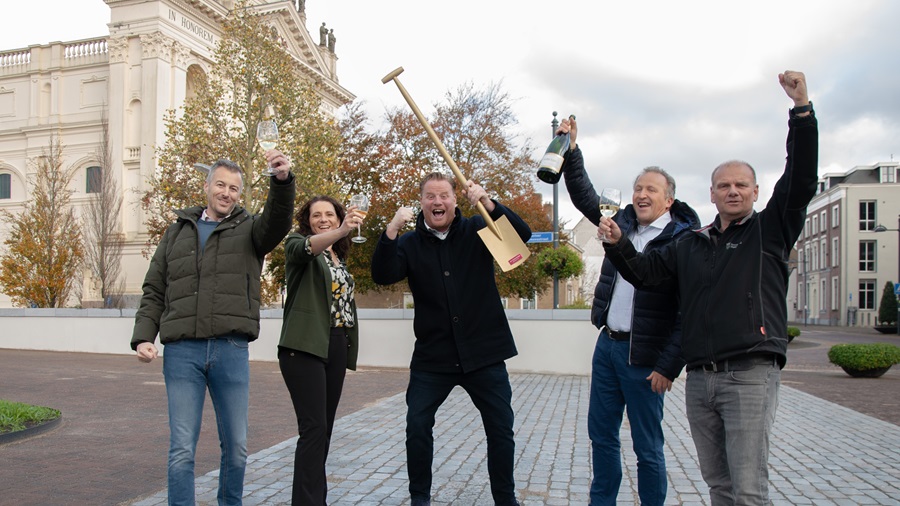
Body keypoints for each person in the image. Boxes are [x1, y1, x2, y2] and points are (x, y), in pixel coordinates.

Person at [599, 70, 817, 505]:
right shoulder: (691, 243)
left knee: (749, 487)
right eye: (724, 186)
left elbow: (800, 181)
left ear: (755, 191)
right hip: (701, 379)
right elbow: (644, 274)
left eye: (741, 185)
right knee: (718, 484)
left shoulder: (769, 231)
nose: (732, 191)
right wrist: (619, 245)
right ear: (711, 194)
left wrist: (802, 112)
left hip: (750, 374)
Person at [132, 153, 295, 506]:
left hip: (230, 350)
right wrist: (145, 336)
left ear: (240, 194)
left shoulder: (251, 228)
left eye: (234, 188)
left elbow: (278, 221)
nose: (226, 193)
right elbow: (155, 287)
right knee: (181, 448)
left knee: (236, 447)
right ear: (206, 187)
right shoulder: (177, 231)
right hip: (182, 353)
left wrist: (281, 182)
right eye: (220, 185)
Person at [556, 116, 699, 505]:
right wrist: (571, 149)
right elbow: (585, 196)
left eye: (651, 190)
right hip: (608, 347)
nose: (641, 195)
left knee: (647, 446)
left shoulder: (681, 241)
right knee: (600, 436)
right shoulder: (621, 224)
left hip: (646, 355)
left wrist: (670, 365)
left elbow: (689, 311)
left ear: (669, 199)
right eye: (638, 188)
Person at [371, 172, 530, 506]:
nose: (437, 202)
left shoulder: (478, 228)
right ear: (421, 203)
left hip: (484, 352)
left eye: (444, 195)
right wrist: (391, 229)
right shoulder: (409, 243)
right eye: (430, 196)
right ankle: (420, 499)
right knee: (417, 426)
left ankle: (505, 498)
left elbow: (521, 236)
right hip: (434, 357)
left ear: (456, 199)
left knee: (501, 429)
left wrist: (487, 201)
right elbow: (382, 274)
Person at [278, 195, 365, 505]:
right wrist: (342, 229)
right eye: (317, 215)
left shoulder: (337, 257)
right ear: (308, 220)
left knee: (323, 431)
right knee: (313, 429)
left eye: (330, 214)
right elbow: (304, 249)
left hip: (336, 344)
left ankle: (316, 499)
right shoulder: (298, 245)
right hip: (303, 346)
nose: (323, 218)